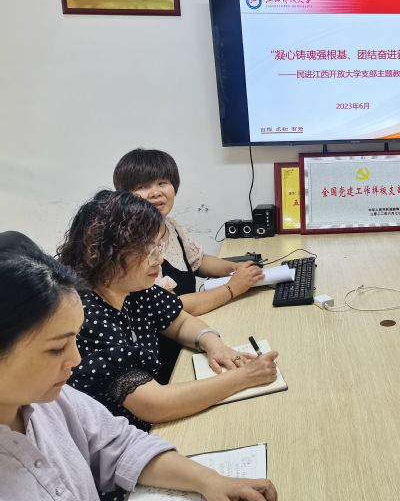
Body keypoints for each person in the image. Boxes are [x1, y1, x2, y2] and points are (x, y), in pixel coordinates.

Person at [0, 241, 278, 501]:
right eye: (57, 348)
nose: (75, 359)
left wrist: (210, 480)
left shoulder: (56, 400)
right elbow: (153, 405)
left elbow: (121, 447)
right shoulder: (92, 320)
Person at [56, 190, 280, 434]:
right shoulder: (84, 315)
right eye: (149, 251)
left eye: (158, 248)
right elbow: (154, 405)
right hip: (118, 439)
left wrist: (213, 343)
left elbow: (180, 321)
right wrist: (244, 376)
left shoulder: (133, 288)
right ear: (108, 254)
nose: (160, 260)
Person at [113, 148, 265, 383]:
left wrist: (235, 269)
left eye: (162, 183)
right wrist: (232, 288)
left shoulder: (172, 226)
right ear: (124, 196)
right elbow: (170, 307)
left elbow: (198, 261)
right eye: (142, 186)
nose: (155, 193)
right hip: (161, 354)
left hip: (186, 335)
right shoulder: (132, 250)